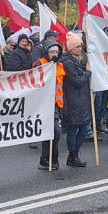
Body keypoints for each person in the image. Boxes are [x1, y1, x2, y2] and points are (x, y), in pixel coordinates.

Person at [59, 32, 92, 166]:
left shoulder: (80, 60)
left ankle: (75, 154)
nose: (80, 48)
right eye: (78, 46)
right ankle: (73, 156)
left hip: (82, 99)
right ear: (71, 48)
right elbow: (77, 81)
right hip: (73, 101)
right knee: (74, 129)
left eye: (81, 46)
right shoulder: (67, 62)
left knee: (84, 129)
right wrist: (88, 72)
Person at [36, 41, 64, 170]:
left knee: (53, 132)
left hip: (56, 104)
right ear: (46, 52)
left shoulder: (59, 65)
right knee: (54, 132)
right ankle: (49, 157)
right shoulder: (40, 63)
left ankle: (49, 158)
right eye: (52, 52)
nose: (54, 54)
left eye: (57, 52)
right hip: (43, 104)